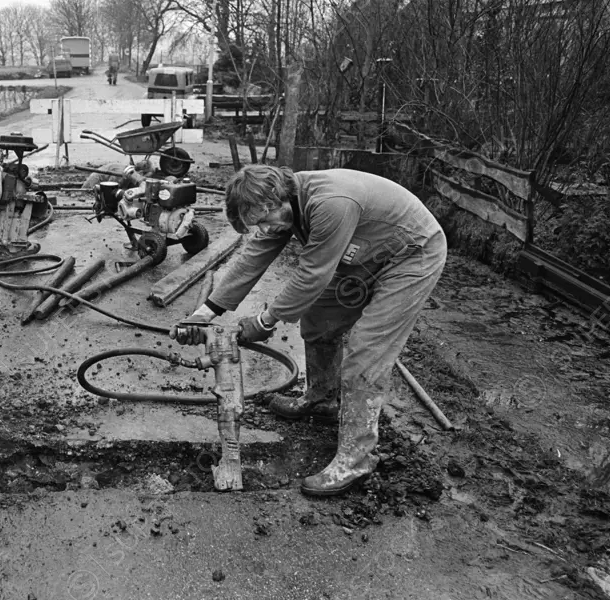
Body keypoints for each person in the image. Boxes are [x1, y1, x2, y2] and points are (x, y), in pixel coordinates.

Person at [172, 165, 447, 496]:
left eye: (264, 219)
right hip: (364, 252)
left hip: (411, 254)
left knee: (366, 352)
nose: (265, 228)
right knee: (319, 320)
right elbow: (251, 259)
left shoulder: (330, 202)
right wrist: (203, 313)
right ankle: (322, 398)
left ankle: (355, 460)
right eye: (257, 223)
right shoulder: (282, 205)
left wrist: (264, 321)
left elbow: (313, 274)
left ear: (276, 196)